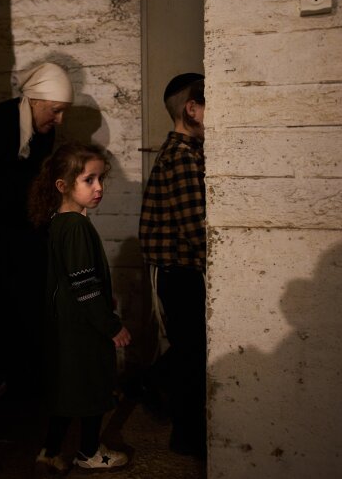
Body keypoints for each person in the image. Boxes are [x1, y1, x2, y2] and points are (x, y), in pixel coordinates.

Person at [0, 62, 74, 398]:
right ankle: (1, 384)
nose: (59, 120)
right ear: (34, 100)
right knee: (1, 307)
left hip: (25, 231)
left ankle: (27, 383)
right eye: (56, 110)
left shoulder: (43, 134)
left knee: (32, 305)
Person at [27, 143, 132, 473]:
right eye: (89, 180)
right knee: (92, 388)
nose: (99, 187)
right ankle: (89, 452)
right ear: (63, 185)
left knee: (69, 388)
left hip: (68, 324)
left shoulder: (59, 222)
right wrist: (111, 324)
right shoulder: (75, 226)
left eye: (101, 179)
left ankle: (49, 450)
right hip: (82, 328)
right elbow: (84, 286)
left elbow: (76, 281)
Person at [138, 72, 207, 459]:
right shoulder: (181, 157)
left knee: (188, 349)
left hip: (179, 271)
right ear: (191, 109)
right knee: (191, 356)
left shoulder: (188, 151)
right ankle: (186, 435)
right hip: (178, 272)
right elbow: (195, 228)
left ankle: (149, 381)